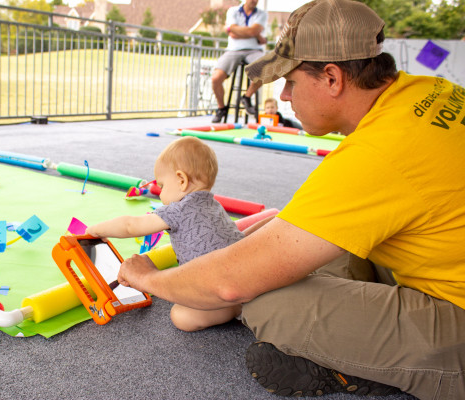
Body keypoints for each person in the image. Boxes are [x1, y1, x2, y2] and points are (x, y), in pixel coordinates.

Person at [115, 0, 465, 398]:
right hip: (445, 268)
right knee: (299, 247)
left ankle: (366, 363)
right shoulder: (432, 91)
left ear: (332, 77)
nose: (283, 97)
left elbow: (230, 286)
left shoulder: (379, 154)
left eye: (291, 82)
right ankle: (356, 344)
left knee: (269, 299)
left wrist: (149, 278)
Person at [85, 136, 244, 332]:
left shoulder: (178, 209)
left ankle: (234, 307)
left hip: (216, 288)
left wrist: (96, 229)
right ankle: (241, 301)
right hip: (242, 275)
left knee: (180, 315)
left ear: (181, 180)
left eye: (162, 186)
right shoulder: (214, 205)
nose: (160, 194)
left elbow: (130, 226)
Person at [211, 0, 267, 123]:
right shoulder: (233, 11)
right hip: (233, 50)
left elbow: (238, 31)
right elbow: (235, 34)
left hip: (254, 50)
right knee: (215, 78)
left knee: (265, 69)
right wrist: (254, 34)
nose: (254, 1)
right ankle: (221, 108)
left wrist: (235, 29)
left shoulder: (262, 14)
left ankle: (246, 97)